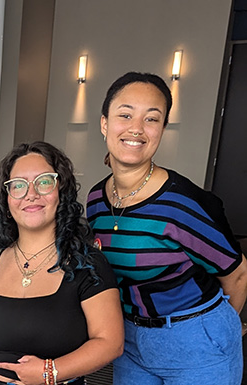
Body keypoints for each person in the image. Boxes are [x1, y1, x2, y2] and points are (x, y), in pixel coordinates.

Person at [86, 71, 247, 384]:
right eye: (125, 115)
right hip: (130, 340)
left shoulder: (182, 203)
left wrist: (219, 329)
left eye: (152, 119)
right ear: (105, 123)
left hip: (196, 342)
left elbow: (237, 273)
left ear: (162, 129)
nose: (136, 128)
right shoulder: (95, 200)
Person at [0, 142, 123, 385]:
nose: (31, 194)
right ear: (7, 198)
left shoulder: (87, 263)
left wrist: (49, 371)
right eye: (18, 185)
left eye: (44, 181)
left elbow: (111, 343)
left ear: (61, 190)